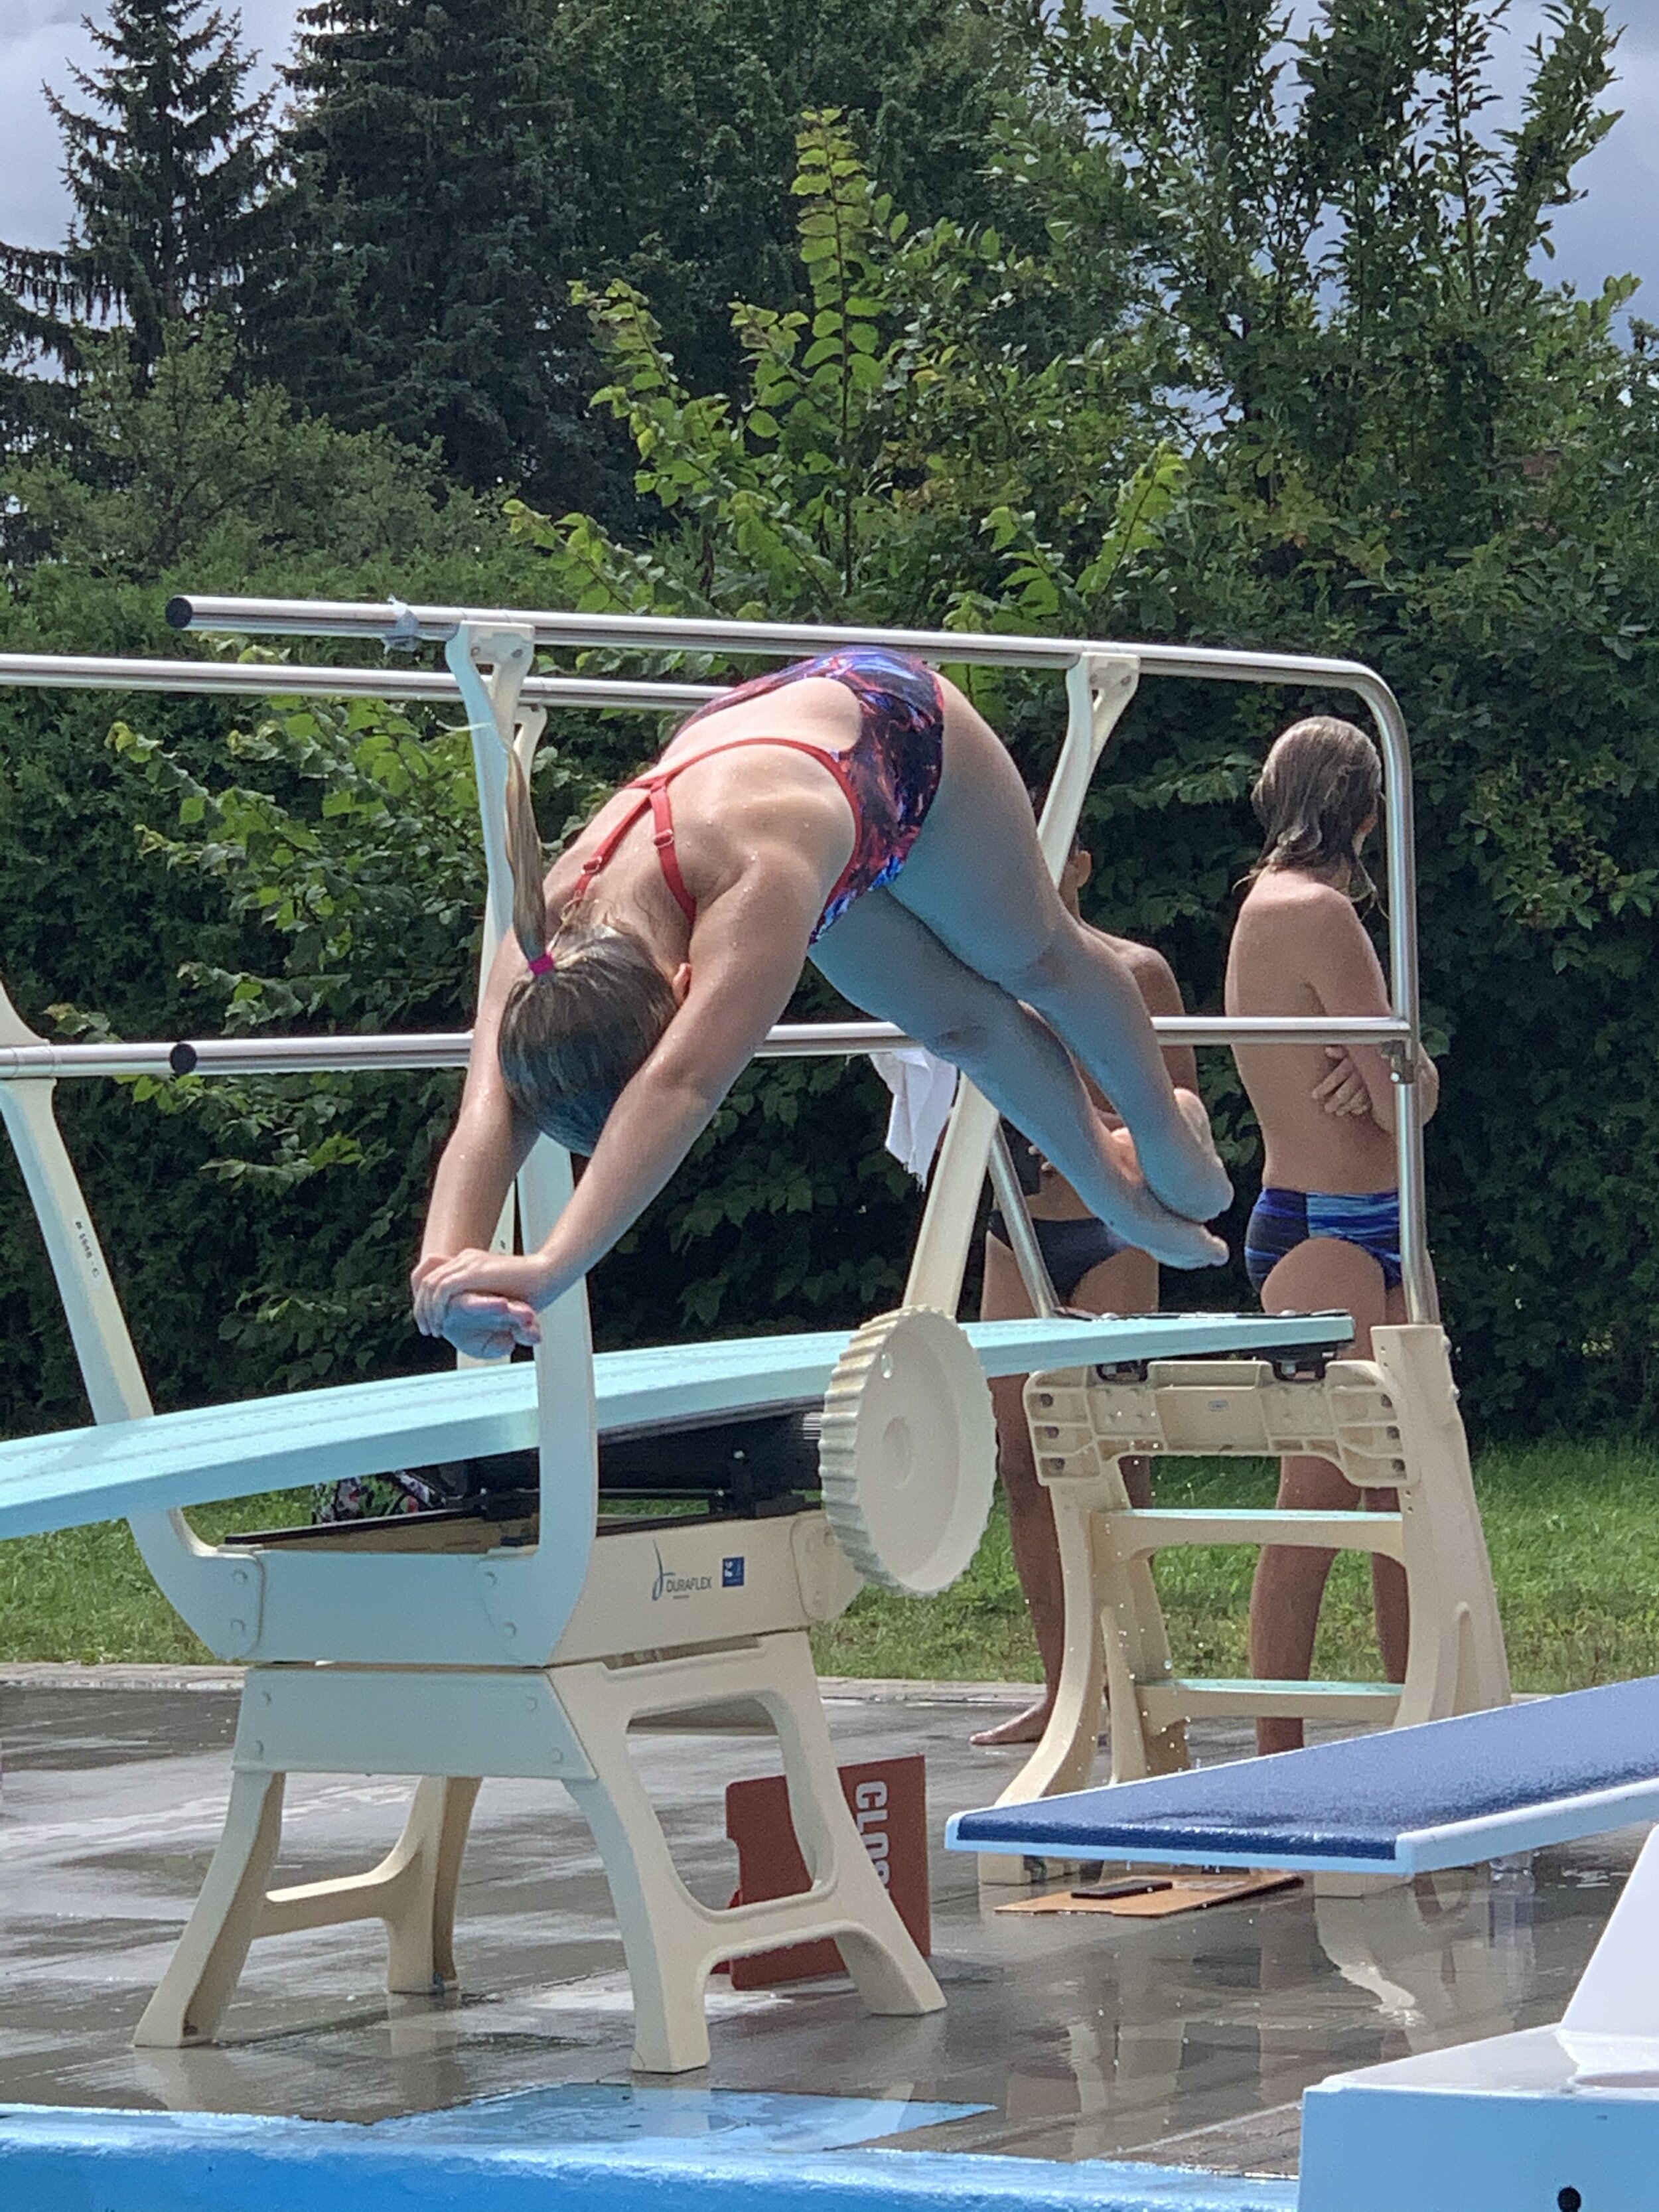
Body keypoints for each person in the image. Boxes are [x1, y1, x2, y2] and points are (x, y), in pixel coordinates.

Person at [412, 650, 1231, 1355]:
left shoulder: (754, 879)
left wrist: (553, 1265)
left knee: (1032, 957)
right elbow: (490, 1110)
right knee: (958, 1026)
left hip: (890, 733)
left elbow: (682, 1087)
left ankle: (1164, 1131)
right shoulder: (542, 954)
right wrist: (443, 1271)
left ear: (687, 987)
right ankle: (1120, 1192)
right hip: (779, 772)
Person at [1225, 714, 1440, 1756]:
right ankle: (1279, 1753)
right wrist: (1412, 1072)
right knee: (1325, 1482)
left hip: (1323, 1218)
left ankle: (1412, 1720)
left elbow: (1390, 1088)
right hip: (1334, 1222)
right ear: (1365, 813)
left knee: (1404, 1477)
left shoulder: (1261, 908)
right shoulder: (1322, 917)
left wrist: (1397, 1077)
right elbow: (1409, 1105)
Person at [971, 831, 1200, 1748]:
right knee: (1022, 1463)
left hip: (1110, 1225)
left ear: (1083, 866)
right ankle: (1064, 1682)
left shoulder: (1134, 971)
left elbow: (1183, 1113)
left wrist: (1099, 1131)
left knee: (1113, 1457)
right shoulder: (981, 971)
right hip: (1017, 1229)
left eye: (1053, 852)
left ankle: (1129, 1666)